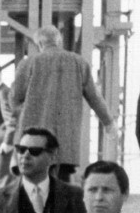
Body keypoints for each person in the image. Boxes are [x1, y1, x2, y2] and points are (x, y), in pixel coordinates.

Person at [10, 25, 118, 181]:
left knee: (33, 191)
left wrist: (23, 113)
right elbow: (95, 97)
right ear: (58, 41)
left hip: (34, 144)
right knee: (62, 190)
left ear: (39, 43)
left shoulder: (28, 63)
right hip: (66, 144)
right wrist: (109, 123)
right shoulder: (79, 62)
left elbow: (14, 97)